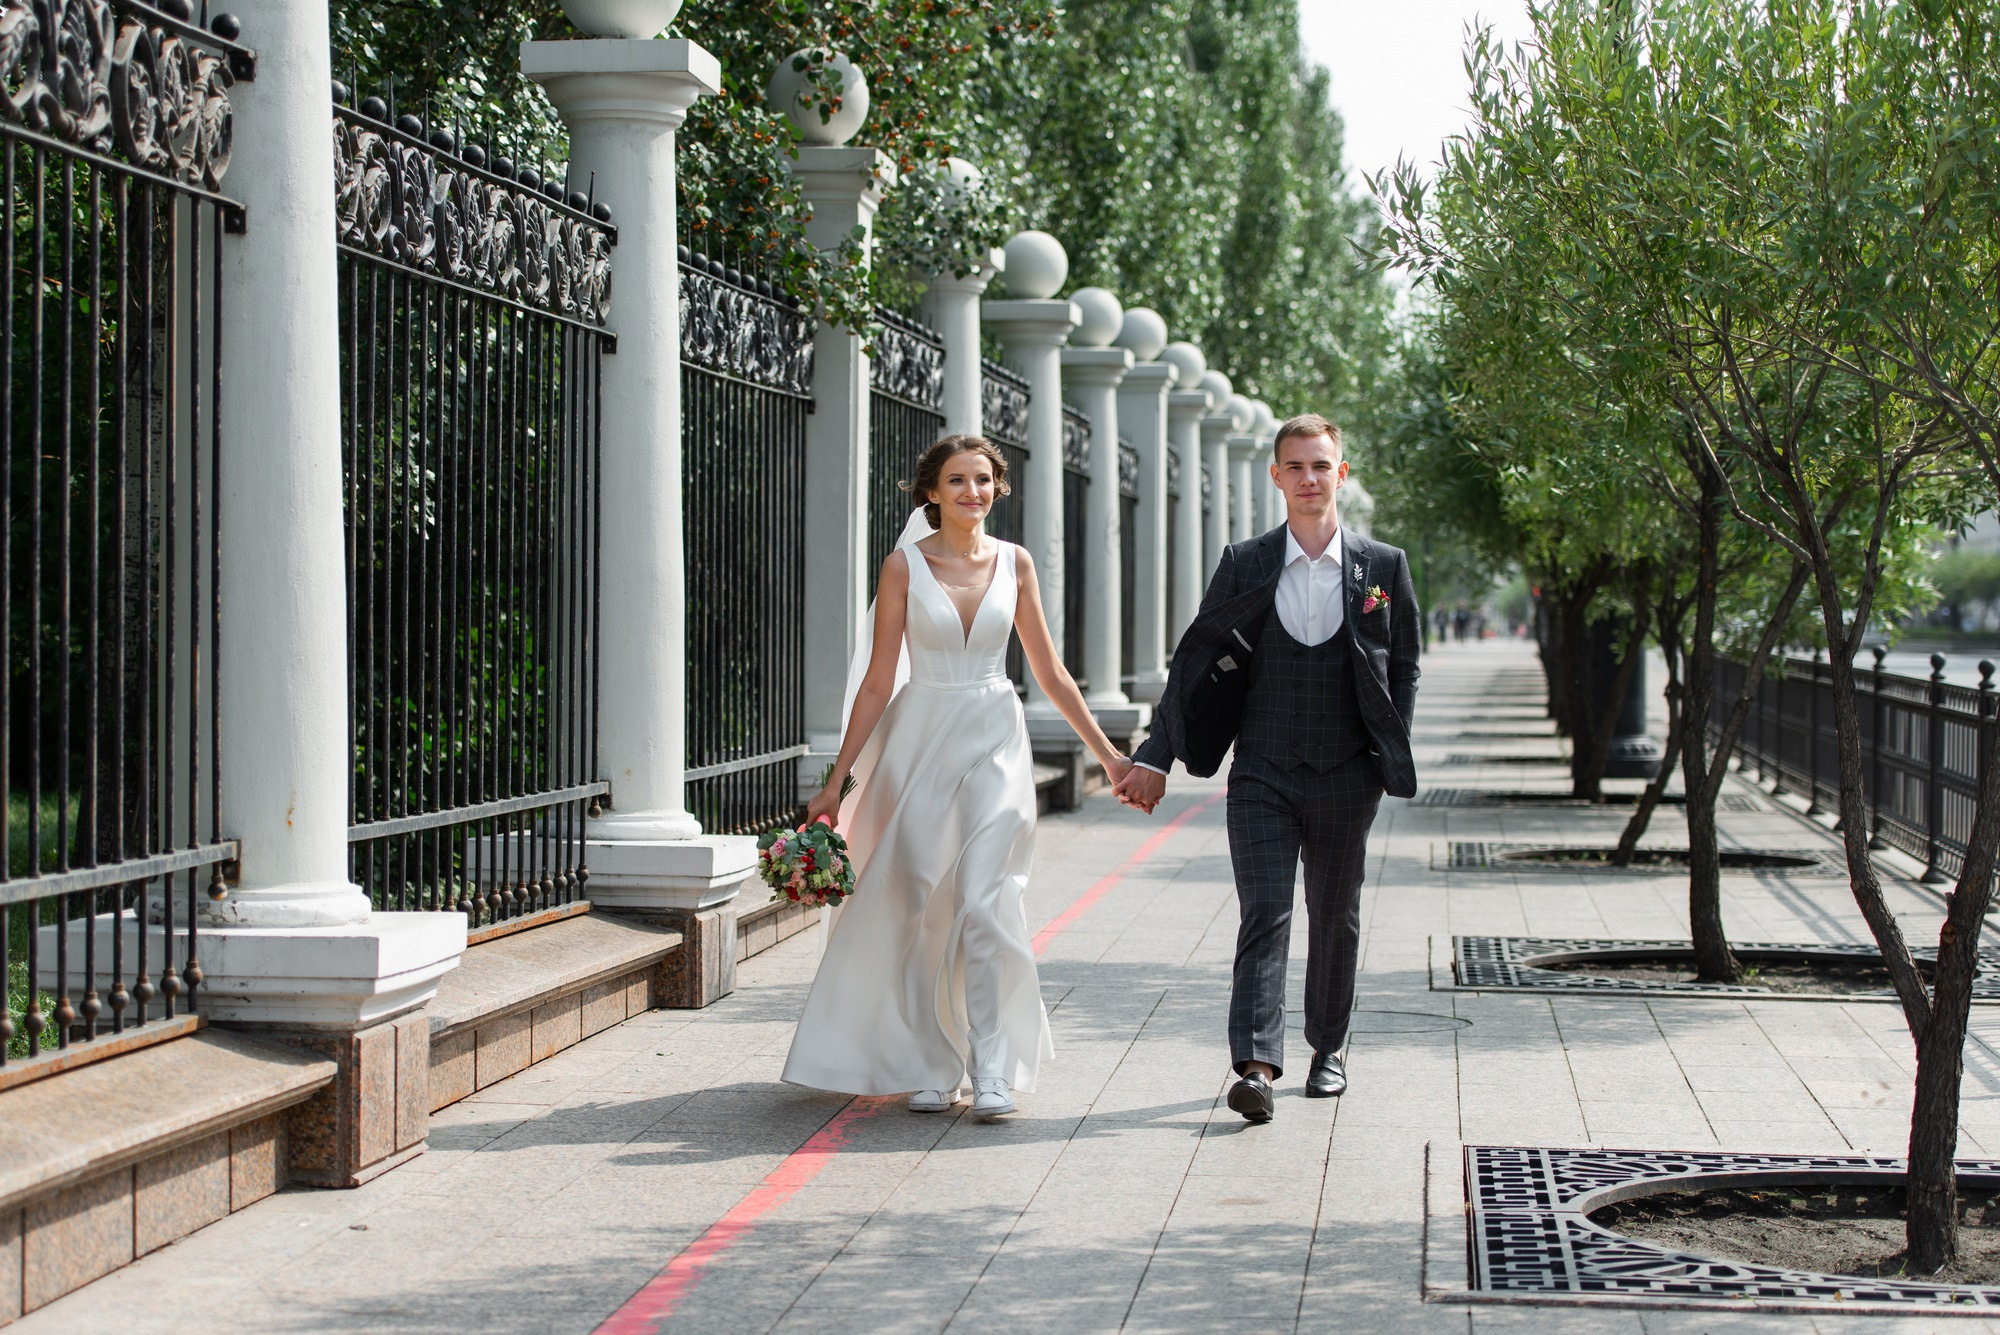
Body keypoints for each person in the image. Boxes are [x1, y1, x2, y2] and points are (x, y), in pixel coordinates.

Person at [781, 435, 1133, 1118]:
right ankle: (932, 1062)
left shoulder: (1016, 564)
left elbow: (1052, 673)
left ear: (998, 488)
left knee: (985, 901)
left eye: (982, 479)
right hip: (919, 743)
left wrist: (1111, 758)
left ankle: (994, 1067)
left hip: (997, 741)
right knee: (919, 905)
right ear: (932, 491)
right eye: (957, 480)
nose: (971, 491)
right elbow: (881, 680)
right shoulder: (903, 567)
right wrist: (837, 781)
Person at [1113, 413, 1419, 1124]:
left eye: (1322, 465)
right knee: (1265, 912)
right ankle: (1255, 1065)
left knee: (1335, 913)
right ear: (1277, 476)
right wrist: (1155, 753)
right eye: (1296, 466)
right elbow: (1193, 660)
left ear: (1340, 473)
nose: (1310, 479)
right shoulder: (1246, 561)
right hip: (1262, 771)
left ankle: (1329, 1047)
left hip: (1348, 772)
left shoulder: (1384, 566)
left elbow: (1402, 667)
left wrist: (1385, 751)